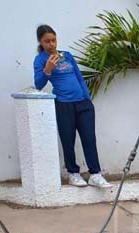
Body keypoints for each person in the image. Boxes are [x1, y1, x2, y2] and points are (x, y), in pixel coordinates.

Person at [33, 25, 111, 189]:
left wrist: (87, 99)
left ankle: (95, 174)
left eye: (54, 40)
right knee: (68, 140)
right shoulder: (40, 60)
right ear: (40, 42)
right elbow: (38, 85)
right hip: (63, 105)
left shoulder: (66, 55)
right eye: (47, 41)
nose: (51, 44)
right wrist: (48, 69)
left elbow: (79, 77)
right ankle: (73, 174)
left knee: (89, 138)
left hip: (82, 103)